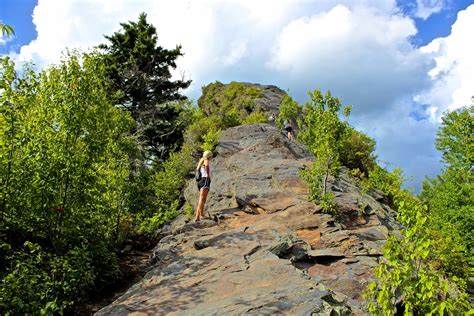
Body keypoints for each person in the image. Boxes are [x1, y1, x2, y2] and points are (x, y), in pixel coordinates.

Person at [195, 150, 212, 222]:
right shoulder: (206, 160)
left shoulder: (201, 161)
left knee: (203, 199)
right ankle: (197, 216)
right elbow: (207, 165)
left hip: (201, 181)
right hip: (205, 180)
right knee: (202, 199)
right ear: (209, 156)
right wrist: (208, 175)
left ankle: (201, 214)